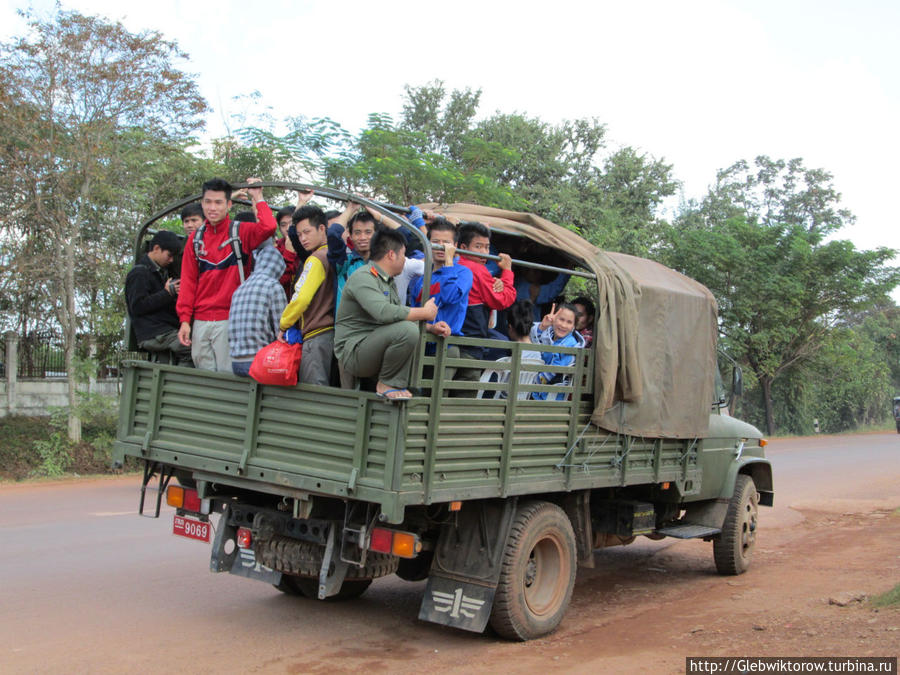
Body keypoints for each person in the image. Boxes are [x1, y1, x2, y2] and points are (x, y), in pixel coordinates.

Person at [176, 177, 277, 372]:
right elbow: (188, 282)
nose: (212, 208)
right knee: (204, 376)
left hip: (229, 318)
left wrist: (257, 195)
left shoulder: (241, 232)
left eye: (218, 202)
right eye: (208, 202)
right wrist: (185, 321)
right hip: (201, 320)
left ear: (229, 204)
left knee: (227, 377)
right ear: (202, 204)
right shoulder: (195, 240)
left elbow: (268, 227)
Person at [334, 229, 437, 401]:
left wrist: (432, 327)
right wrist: (424, 312)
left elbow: (397, 316)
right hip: (353, 352)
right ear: (391, 255)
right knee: (407, 330)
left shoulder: (387, 281)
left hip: (371, 344)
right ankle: (387, 384)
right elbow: (383, 313)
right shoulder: (364, 277)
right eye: (403, 255)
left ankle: (400, 383)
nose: (405, 260)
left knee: (409, 328)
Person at [453, 222, 517, 393]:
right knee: (464, 393)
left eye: (487, 247)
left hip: (453, 340)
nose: (484, 253)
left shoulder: (454, 264)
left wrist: (499, 283)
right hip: (470, 342)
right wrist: (507, 272)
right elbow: (502, 301)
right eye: (478, 246)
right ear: (463, 247)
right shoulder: (477, 270)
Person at [279, 205, 337, 386]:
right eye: (299, 234)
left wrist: (284, 324)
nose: (303, 239)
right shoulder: (333, 255)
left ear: (322, 228)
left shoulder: (316, 259)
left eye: (307, 232)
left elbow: (301, 297)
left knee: (315, 392)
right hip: (331, 333)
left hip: (316, 334)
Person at [125, 231, 193, 366]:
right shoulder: (139, 273)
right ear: (156, 249)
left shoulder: (161, 272)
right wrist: (166, 293)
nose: (171, 260)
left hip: (164, 329)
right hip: (153, 332)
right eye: (169, 255)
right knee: (192, 349)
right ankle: (177, 385)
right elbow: (138, 306)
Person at [228, 244, 287, 377]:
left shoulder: (240, 288)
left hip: (236, 362)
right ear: (278, 266)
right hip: (260, 361)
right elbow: (282, 328)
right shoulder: (273, 286)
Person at [530, 303, 585, 401]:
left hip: (550, 398)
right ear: (554, 318)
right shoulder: (548, 334)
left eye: (569, 322)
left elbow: (553, 372)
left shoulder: (571, 344)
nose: (563, 325)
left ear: (573, 326)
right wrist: (542, 327)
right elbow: (533, 342)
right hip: (535, 392)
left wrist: (532, 383)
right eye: (561, 319)